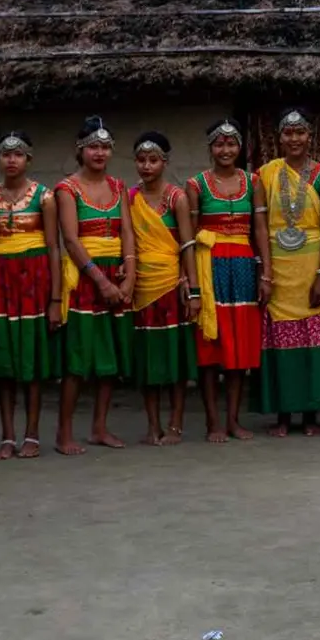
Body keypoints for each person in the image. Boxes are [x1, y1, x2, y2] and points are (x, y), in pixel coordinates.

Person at [253, 109, 320, 436]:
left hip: (310, 265)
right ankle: (284, 415)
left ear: (310, 137)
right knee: (279, 343)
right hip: (278, 265)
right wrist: (265, 272)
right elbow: (260, 226)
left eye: (300, 133)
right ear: (279, 138)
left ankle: (311, 416)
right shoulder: (265, 174)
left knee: (313, 340)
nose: (294, 139)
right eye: (288, 133)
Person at [54, 117, 135, 454]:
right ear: (80, 150)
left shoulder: (118, 187)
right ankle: (64, 433)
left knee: (110, 359)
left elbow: (127, 232)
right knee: (78, 361)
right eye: (93, 146)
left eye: (105, 147)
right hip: (87, 279)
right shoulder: (66, 189)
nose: (99, 152)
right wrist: (100, 282)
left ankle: (100, 428)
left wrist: (129, 275)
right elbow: (71, 240)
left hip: (117, 275)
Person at [0, 133, 59, 458]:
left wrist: (55, 299)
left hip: (35, 282)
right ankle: (7, 436)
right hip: (1, 282)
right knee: (5, 363)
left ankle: (33, 434)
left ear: (29, 159)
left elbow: (54, 247)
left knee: (32, 362)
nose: (12, 160)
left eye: (19, 154)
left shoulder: (45, 197)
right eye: (6, 155)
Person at [188, 120, 265, 442]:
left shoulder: (253, 181)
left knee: (239, 350)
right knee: (211, 348)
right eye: (219, 144)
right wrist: (190, 283)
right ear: (210, 149)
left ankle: (233, 420)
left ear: (241, 148)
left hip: (245, 270)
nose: (225, 150)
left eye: (231, 144)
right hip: (210, 269)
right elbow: (189, 237)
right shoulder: (197, 185)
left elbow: (259, 229)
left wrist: (267, 273)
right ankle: (212, 422)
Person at [128, 131, 197, 446]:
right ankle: (152, 424)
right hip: (141, 287)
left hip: (171, 285)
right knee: (148, 360)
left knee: (175, 360)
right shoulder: (130, 199)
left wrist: (192, 287)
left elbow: (187, 244)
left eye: (153, 160)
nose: (146, 166)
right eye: (141, 160)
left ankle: (176, 424)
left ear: (165, 162)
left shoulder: (176, 197)